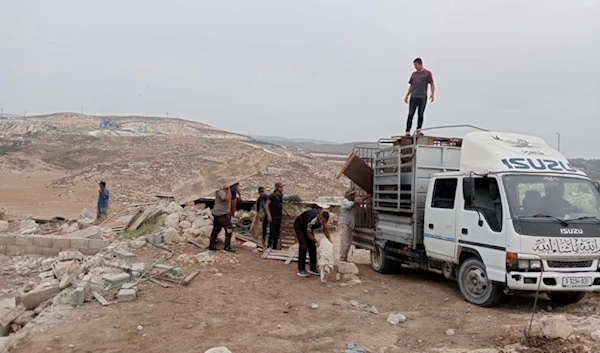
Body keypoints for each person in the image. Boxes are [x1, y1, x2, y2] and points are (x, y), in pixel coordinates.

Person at [294, 209, 331, 277]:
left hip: (308, 228)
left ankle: (313, 268)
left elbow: (325, 229)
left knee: (312, 247)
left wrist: (329, 239)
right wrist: (316, 241)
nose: (323, 223)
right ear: (320, 218)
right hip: (300, 227)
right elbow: (308, 234)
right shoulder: (312, 220)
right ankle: (301, 269)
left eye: (325, 222)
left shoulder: (322, 220)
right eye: (323, 221)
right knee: (303, 246)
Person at [404, 57, 435, 136]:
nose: (415, 67)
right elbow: (411, 85)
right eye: (414, 65)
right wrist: (407, 95)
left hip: (422, 97)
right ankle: (407, 131)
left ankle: (418, 130)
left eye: (416, 65)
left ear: (420, 64)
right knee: (411, 114)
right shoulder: (414, 74)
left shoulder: (427, 73)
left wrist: (432, 93)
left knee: (420, 114)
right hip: (414, 96)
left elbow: (432, 83)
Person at [339, 189, 370, 262]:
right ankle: (342, 259)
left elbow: (357, 203)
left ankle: (344, 259)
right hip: (344, 224)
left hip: (348, 225)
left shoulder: (350, 202)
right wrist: (359, 200)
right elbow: (351, 205)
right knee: (344, 243)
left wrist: (363, 199)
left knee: (348, 243)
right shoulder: (345, 201)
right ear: (349, 195)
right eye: (353, 195)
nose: (354, 196)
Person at [208, 184, 236, 252]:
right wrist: (229, 188)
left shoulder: (223, 190)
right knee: (229, 229)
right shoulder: (220, 190)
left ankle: (211, 245)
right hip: (221, 213)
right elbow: (228, 199)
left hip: (219, 212)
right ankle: (227, 246)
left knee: (216, 229)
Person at [265, 182, 291, 249]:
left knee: (277, 232)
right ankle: (269, 245)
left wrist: (287, 212)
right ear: (277, 188)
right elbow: (267, 205)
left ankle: (274, 246)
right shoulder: (272, 195)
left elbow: (281, 204)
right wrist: (269, 215)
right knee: (272, 231)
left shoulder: (281, 195)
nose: (282, 189)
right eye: (281, 187)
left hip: (279, 216)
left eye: (282, 187)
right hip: (273, 216)